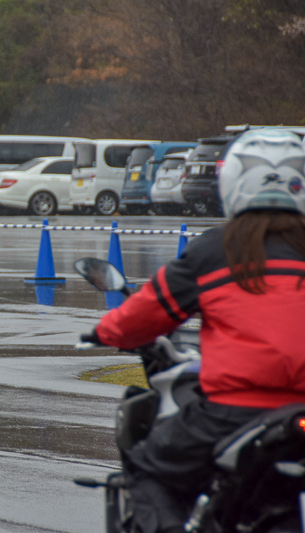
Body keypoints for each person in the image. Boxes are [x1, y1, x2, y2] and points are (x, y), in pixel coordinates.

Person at [81, 128, 305, 533]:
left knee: (146, 470)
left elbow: (143, 315)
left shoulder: (216, 250)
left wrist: (105, 332)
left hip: (233, 413)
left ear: (232, 181)